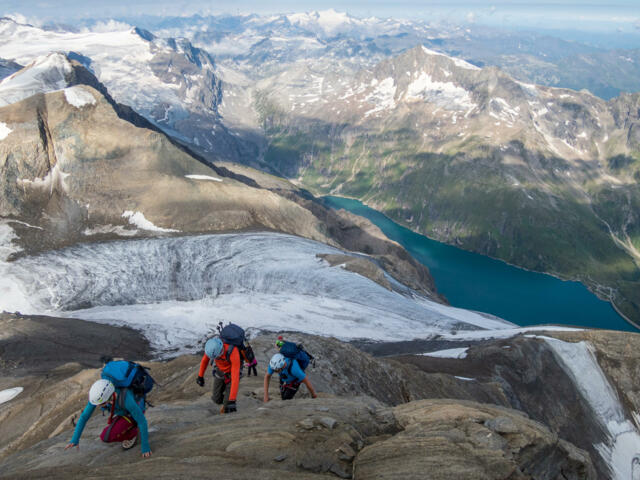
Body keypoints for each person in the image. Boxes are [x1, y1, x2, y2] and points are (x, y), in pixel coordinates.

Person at [65, 379, 151, 458]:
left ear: (109, 398)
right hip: (123, 412)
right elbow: (84, 417)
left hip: (135, 412)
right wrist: (75, 439)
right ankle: (127, 426)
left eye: (101, 404)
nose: (98, 406)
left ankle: (133, 434)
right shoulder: (100, 396)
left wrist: (145, 447)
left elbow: (142, 421)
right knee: (107, 435)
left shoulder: (127, 400)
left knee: (107, 436)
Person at [196, 336, 241, 413]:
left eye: (219, 354)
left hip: (231, 374)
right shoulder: (212, 349)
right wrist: (200, 376)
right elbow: (204, 361)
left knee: (228, 405)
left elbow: (235, 377)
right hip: (220, 371)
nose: (219, 357)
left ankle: (226, 405)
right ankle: (225, 401)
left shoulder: (233, 351)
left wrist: (232, 400)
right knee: (216, 399)